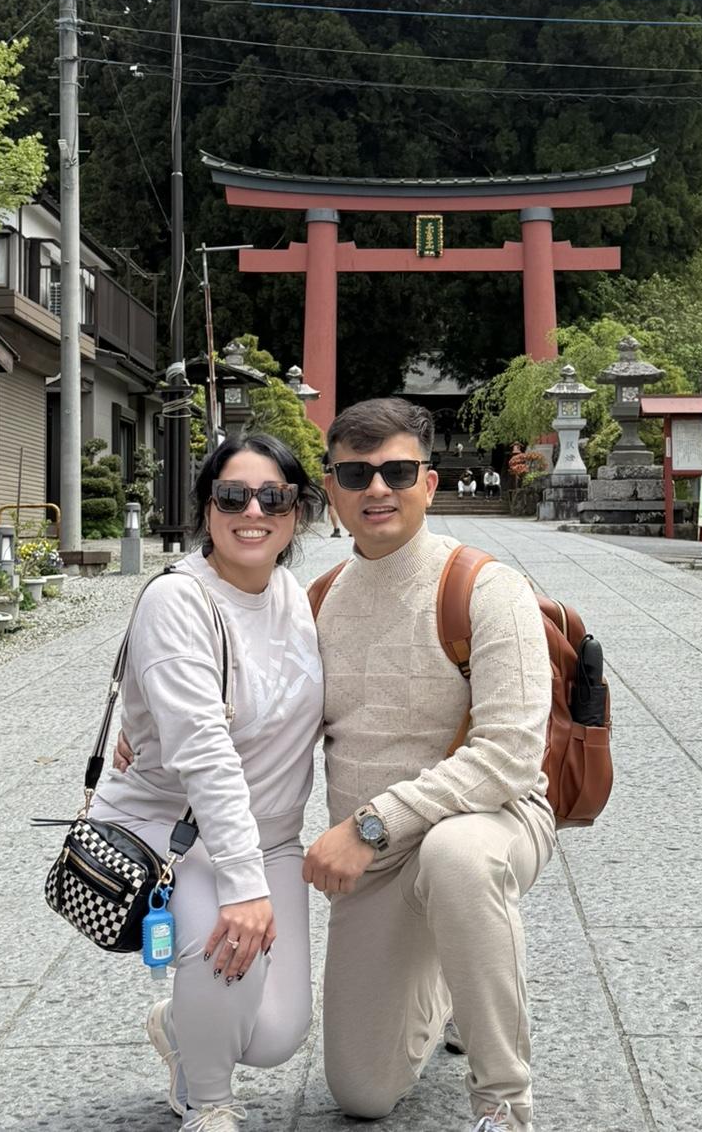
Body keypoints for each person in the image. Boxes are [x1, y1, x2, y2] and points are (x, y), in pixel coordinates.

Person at [304, 398, 554, 1132]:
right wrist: (153, 734)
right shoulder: (317, 602)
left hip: (490, 819)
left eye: (398, 472)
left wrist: (373, 823)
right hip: (376, 860)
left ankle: (503, 1102)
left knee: (456, 857)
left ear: (430, 483)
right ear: (332, 489)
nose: (377, 489)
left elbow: (509, 754)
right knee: (361, 1093)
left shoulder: (486, 587)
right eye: (356, 474)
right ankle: (450, 977)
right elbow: (268, 723)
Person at [90, 434, 325, 1132]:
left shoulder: (294, 597)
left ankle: (181, 1025)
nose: (253, 512)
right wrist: (243, 887)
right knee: (225, 949)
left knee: (277, 1035)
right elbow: (205, 753)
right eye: (232, 496)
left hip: (273, 835)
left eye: (273, 497)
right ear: (205, 509)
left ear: (297, 513)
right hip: (177, 829)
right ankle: (209, 1102)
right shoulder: (178, 600)